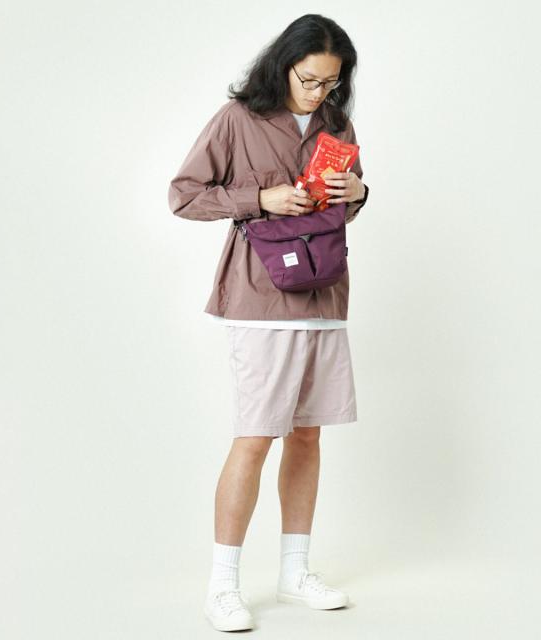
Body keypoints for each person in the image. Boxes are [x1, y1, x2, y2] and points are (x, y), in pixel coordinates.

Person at [167, 13, 370, 632]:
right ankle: (222, 585)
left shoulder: (336, 125)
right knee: (255, 437)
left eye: (331, 83)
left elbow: (346, 208)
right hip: (260, 302)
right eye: (309, 80)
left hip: (324, 299)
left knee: (307, 436)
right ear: (284, 66)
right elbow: (184, 195)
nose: (319, 93)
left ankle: (294, 571)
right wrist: (261, 198)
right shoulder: (238, 119)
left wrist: (357, 193)